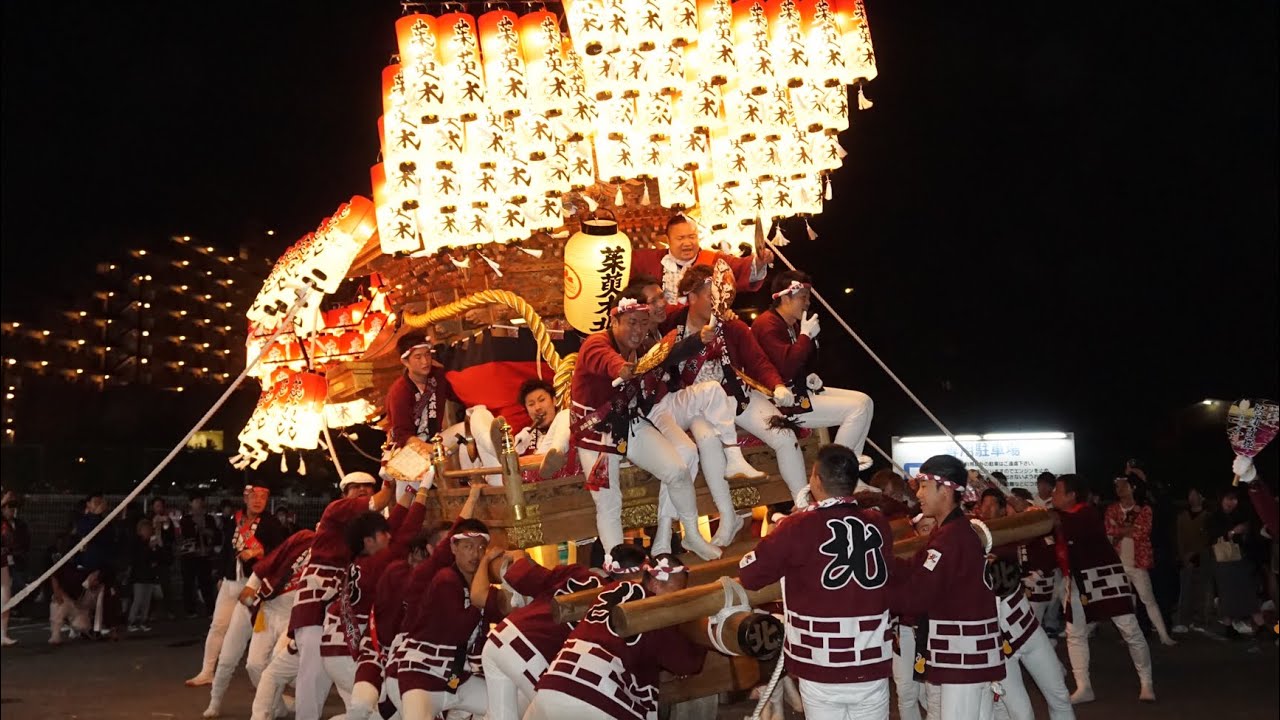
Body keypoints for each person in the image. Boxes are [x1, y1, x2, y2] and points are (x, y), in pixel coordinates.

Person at [569, 288, 729, 561]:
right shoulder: (596, 343)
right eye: (631, 322)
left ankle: (691, 533)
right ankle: (618, 564)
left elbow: (667, 355)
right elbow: (607, 361)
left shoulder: (642, 347)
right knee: (609, 503)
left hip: (628, 422)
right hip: (594, 431)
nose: (638, 329)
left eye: (643, 323)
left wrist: (698, 340)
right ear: (614, 320)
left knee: (677, 470)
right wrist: (621, 367)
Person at [737, 444, 895, 719]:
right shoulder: (878, 524)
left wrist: (775, 535)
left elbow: (750, 575)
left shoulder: (798, 526)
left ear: (817, 480)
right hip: (871, 662)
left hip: (822, 668)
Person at [665, 265, 805, 522]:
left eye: (721, 296)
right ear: (692, 297)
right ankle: (728, 517)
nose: (719, 302)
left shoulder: (731, 325)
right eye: (711, 296)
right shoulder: (670, 322)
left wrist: (777, 385)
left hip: (734, 395)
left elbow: (757, 361)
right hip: (695, 404)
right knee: (708, 440)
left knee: (785, 434)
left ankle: (803, 504)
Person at [525, 545, 707, 719]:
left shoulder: (610, 589)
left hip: (554, 685)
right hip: (599, 698)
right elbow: (686, 663)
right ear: (657, 584)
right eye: (678, 591)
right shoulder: (654, 609)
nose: (678, 598)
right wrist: (703, 623)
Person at [891, 456, 1004, 719]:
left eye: (924, 486)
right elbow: (913, 567)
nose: (918, 493)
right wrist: (877, 560)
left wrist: (867, 592)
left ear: (947, 489)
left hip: (964, 657)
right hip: (968, 654)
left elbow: (915, 597)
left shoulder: (951, 539)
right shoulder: (949, 532)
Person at [288, 471, 396, 720]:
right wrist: (393, 479)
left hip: (343, 606)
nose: (363, 491)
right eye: (356, 488)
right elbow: (379, 501)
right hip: (318, 599)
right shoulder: (336, 509)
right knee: (313, 674)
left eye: (368, 487)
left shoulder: (372, 528)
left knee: (354, 681)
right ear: (344, 494)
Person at [320, 486, 428, 720]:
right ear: (369, 541)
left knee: (363, 712)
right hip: (350, 650)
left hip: (337, 646)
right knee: (385, 710)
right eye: (383, 534)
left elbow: (395, 531)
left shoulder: (362, 560)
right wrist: (422, 494)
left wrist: (409, 491)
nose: (389, 537)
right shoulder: (378, 563)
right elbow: (406, 535)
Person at [751, 271, 875, 469]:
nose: (807, 302)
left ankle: (851, 472)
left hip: (797, 391)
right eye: (803, 297)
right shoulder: (767, 324)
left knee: (865, 401)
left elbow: (790, 364)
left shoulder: (789, 324)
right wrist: (805, 337)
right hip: (780, 403)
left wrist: (807, 376)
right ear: (784, 297)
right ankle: (835, 472)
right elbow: (786, 367)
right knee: (857, 409)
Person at [1051, 473, 1154, 703]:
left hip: (1106, 577)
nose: (1053, 495)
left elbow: (1071, 525)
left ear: (1071, 495)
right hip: (1077, 580)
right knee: (1074, 633)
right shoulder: (1059, 518)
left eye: (1058, 491)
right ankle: (1083, 686)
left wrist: (1052, 520)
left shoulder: (1086, 513)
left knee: (1129, 629)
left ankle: (1146, 681)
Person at [389, 518, 503, 720]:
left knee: (506, 707)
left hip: (456, 676)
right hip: (422, 674)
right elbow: (458, 632)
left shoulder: (479, 588)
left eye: (481, 548)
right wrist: (479, 600)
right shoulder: (445, 579)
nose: (475, 554)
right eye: (468, 546)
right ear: (453, 547)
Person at [978, 498, 1074, 720]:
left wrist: (1027, 513)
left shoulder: (1005, 538)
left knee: (1059, 696)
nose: (986, 509)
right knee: (1021, 714)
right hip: (998, 645)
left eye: (992, 504)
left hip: (1028, 630)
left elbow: (1049, 521)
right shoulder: (953, 555)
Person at [481, 550, 605, 719]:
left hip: (500, 638)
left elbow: (526, 576)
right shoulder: (617, 606)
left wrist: (519, 556)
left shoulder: (577, 572)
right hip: (529, 648)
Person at [187, 484, 287, 687]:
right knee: (218, 625)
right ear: (245, 498)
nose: (258, 501)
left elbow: (281, 552)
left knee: (259, 629)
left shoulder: (272, 523)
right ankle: (207, 671)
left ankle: (271, 677)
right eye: (254, 497)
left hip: (255, 583)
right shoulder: (235, 519)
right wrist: (220, 574)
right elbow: (226, 548)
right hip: (231, 580)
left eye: (262, 497)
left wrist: (260, 552)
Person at [230, 527, 315, 720]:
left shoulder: (339, 553)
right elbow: (272, 560)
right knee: (253, 665)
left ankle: (265, 712)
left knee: (277, 661)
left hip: (295, 616)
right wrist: (251, 585)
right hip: (269, 610)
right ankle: (278, 705)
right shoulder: (304, 538)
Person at [630, 213, 771, 305]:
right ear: (668, 239)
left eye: (692, 237)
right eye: (680, 238)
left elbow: (741, 268)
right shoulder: (651, 260)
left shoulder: (713, 259)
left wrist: (759, 261)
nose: (687, 243)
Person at [1106, 476, 1176, 646]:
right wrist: (1128, 529)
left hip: (1137, 562)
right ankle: (1130, 635)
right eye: (1118, 486)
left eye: (1123, 486)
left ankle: (1163, 635)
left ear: (1133, 488)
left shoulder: (1144, 509)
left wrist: (1121, 530)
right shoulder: (1112, 509)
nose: (1119, 489)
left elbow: (1142, 532)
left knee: (1147, 599)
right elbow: (1109, 530)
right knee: (1124, 602)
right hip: (1118, 562)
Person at [1206, 486, 1261, 636]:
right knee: (1227, 593)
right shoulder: (1214, 517)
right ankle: (1229, 626)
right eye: (1228, 499)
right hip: (1222, 561)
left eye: (1234, 499)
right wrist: (1231, 533)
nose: (1232, 502)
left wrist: (1243, 533)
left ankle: (1259, 624)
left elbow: (1250, 539)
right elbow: (1212, 537)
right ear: (1221, 500)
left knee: (1247, 591)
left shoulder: (1241, 515)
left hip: (1240, 560)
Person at [1172, 487, 1212, 633]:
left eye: (1195, 494)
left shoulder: (1208, 516)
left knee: (1202, 589)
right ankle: (1183, 620)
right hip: (1186, 558)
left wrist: (1196, 553)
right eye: (1190, 494)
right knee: (1185, 590)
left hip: (1202, 557)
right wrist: (1184, 556)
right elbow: (1179, 538)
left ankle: (1200, 619)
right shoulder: (1182, 516)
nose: (1192, 497)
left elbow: (1207, 539)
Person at [179, 493, 220, 618]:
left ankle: (210, 609)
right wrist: (197, 528)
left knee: (206, 583)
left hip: (204, 555)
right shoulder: (186, 519)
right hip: (190, 555)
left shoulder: (209, 519)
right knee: (189, 583)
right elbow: (186, 535)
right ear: (190, 504)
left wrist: (204, 530)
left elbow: (214, 534)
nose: (197, 504)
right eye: (195, 501)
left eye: (199, 501)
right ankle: (190, 609)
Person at [126, 517, 164, 633]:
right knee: (138, 599)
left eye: (149, 529)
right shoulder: (136, 543)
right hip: (138, 576)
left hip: (149, 576)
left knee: (147, 600)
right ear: (140, 530)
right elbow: (138, 558)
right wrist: (149, 548)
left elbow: (157, 557)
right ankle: (131, 622)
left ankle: (143, 621)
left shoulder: (151, 543)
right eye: (145, 529)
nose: (147, 531)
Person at [1, 491, 23, 646]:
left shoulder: (10, 524)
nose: (12, 510)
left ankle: (2, 633)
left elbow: (14, 543)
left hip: (3, 562)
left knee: (5, 596)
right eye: (9, 507)